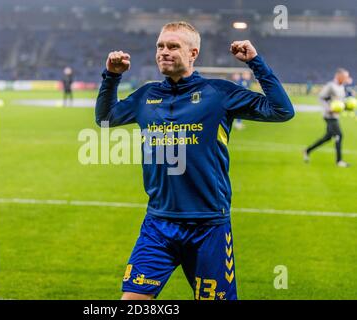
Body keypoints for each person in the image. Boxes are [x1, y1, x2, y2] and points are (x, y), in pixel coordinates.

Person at [95, 21, 294, 300]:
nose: (164, 51)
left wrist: (256, 63)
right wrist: (111, 77)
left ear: (193, 53)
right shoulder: (146, 96)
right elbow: (105, 119)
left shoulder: (220, 93)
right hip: (158, 224)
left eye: (173, 46)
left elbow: (281, 110)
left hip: (208, 225)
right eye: (160, 46)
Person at [304, 68, 351, 167]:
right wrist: (328, 108)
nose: (346, 78)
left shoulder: (341, 87)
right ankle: (339, 161)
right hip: (329, 116)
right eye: (345, 76)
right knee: (339, 135)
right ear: (339, 76)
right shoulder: (331, 86)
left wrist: (347, 107)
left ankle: (307, 150)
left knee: (328, 137)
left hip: (336, 115)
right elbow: (321, 97)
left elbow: (339, 102)